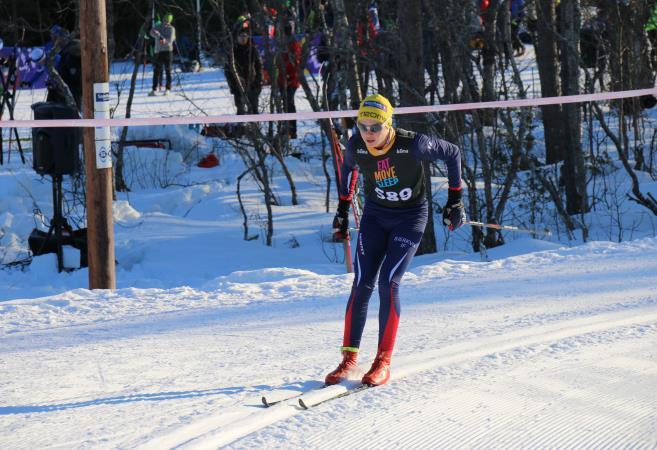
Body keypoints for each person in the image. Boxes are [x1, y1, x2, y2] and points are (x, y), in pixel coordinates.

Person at [326, 94, 465, 387]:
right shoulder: (356, 146)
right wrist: (341, 209)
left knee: (388, 281)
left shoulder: (412, 144)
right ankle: (349, 358)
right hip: (376, 217)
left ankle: (382, 360)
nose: (368, 133)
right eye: (362, 126)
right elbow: (348, 169)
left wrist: (455, 201)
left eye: (374, 127)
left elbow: (452, 152)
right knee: (361, 281)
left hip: (410, 218)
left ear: (389, 125)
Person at [225, 20, 263, 115]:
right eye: (241, 36)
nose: (243, 39)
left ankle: (255, 128)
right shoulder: (233, 51)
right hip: (238, 85)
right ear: (237, 38)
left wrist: (258, 82)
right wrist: (233, 86)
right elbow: (227, 71)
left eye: (245, 36)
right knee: (240, 111)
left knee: (254, 110)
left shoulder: (253, 50)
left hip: (252, 84)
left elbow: (259, 67)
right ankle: (241, 129)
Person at [46, 25, 82, 110]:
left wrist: (59, 83)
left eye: (55, 37)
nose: (54, 40)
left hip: (75, 91)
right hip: (68, 88)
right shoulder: (64, 50)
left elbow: (73, 75)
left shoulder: (72, 50)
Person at [276, 21, 302, 139]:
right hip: (282, 79)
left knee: (289, 104)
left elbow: (295, 63)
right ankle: (286, 129)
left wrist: (290, 77)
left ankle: (292, 130)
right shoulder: (281, 43)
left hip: (291, 79)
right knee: (284, 104)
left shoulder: (293, 43)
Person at [149, 13, 176, 96]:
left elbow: (171, 39)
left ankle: (168, 89)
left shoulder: (171, 28)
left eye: (167, 21)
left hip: (168, 51)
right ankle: (154, 89)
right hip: (158, 51)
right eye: (165, 20)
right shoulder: (158, 26)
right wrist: (156, 34)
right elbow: (151, 32)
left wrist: (164, 39)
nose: (166, 22)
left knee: (168, 70)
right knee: (156, 70)